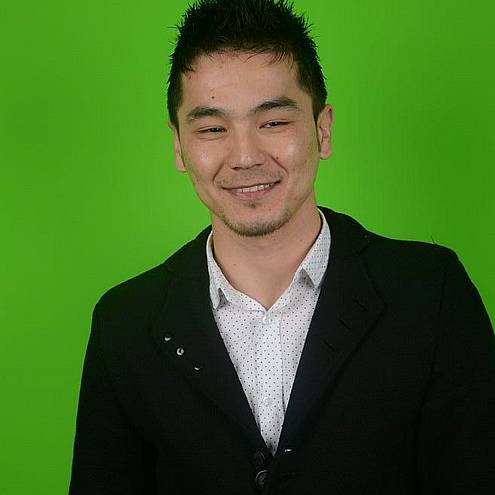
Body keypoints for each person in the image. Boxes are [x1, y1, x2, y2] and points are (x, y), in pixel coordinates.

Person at [69, 0, 495, 493]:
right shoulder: (124, 323)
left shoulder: (431, 293)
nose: (245, 157)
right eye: (212, 128)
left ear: (323, 129)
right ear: (179, 145)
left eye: (273, 122)